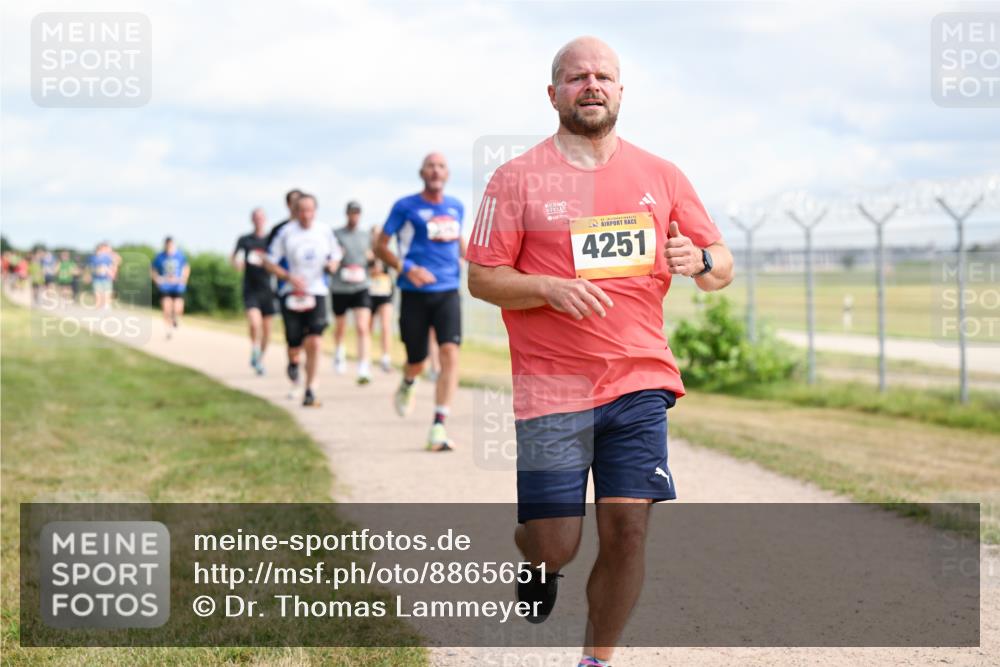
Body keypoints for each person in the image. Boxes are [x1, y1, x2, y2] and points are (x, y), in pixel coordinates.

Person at [466, 37, 734, 667]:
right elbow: (482, 276)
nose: (592, 84)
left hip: (639, 381)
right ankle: (537, 561)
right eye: (577, 76)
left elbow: (720, 265)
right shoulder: (515, 178)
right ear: (553, 92)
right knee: (556, 542)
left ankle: (596, 659)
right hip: (551, 389)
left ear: (620, 90)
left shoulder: (661, 175)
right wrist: (547, 288)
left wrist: (695, 259)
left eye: (604, 76)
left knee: (628, 530)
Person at [375, 153, 465, 452]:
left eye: (441, 165)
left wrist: (480, 261)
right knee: (418, 361)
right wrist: (406, 269)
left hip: (448, 290)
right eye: (430, 165)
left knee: (450, 351)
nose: (436, 170)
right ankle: (408, 382)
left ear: (448, 173)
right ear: (421, 172)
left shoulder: (456, 206)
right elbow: (380, 246)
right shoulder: (405, 206)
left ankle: (439, 424)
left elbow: (459, 242)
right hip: (413, 292)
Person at [264, 193, 342, 407]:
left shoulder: (324, 231)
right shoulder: (285, 233)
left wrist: (333, 264)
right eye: (302, 210)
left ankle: (311, 389)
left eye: (310, 210)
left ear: (315, 211)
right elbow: (269, 262)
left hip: (317, 291)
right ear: (295, 212)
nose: (306, 215)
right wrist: (288, 276)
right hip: (292, 292)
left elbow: (336, 254)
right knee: (295, 341)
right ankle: (293, 360)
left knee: (315, 340)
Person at [330, 201, 374, 384]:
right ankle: (339, 352)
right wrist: (335, 258)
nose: (354, 216)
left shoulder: (366, 236)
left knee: (363, 326)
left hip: (361, 286)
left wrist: (372, 260)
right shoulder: (336, 234)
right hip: (341, 286)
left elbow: (373, 262)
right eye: (351, 213)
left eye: (357, 213)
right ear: (346, 214)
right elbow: (331, 257)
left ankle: (363, 365)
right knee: (340, 326)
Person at [233, 207, 278, 375]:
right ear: (252, 220)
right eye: (256, 217)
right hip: (250, 289)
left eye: (261, 217)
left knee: (267, 332)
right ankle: (254, 348)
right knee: (254, 323)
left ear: (265, 219)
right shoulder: (245, 240)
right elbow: (234, 257)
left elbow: (278, 260)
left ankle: (260, 359)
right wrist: (237, 263)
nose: (258, 220)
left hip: (268, 289)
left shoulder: (271, 240)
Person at [268, 189, 305, 391]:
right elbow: (269, 259)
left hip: (311, 290)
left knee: (313, 335)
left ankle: (309, 381)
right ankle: (294, 364)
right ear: (288, 205)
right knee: (294, 335)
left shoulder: (316, 229)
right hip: (287, 289)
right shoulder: (280, 230)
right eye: (294, 203)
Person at [368, 226, 395, 372]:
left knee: (385, 325)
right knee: (368, 327)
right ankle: (367, 357)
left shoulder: (387, 252)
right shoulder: (367, 253)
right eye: (375, 235)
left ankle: (385, 358)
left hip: (385, 292)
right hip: (370, 293)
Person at [151, 237, 190, 338]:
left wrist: (184, 279)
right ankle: (168, 330)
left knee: (178, 309)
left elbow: (186, 267)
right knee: (166, 308)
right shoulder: (160, 256)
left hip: (178, 287)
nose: (169, 247)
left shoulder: (180, 256)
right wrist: (157, 279)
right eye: (168, 245)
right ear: (165, 245)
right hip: (165, 287)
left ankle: (175, 319)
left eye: (171, 245)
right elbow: (152, 269)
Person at [89, 242, 119, 310]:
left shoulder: (108, 257)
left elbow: (116, 262)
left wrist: (113, 273)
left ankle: (106, 305)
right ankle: (99, 305)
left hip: (106, 278)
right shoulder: (93, 258)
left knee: (107, 292)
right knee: (98, 292)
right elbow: (91, 268)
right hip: (97, 278)